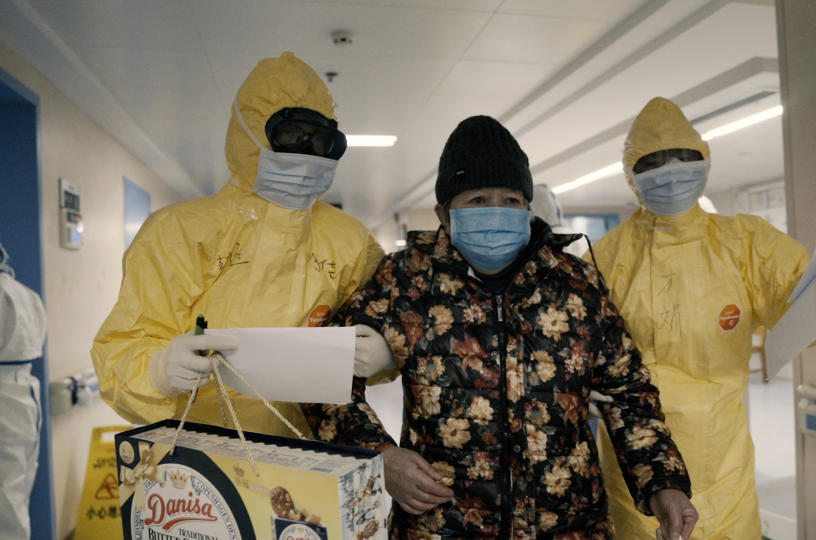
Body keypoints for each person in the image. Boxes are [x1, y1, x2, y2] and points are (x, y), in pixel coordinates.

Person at [303, 115, 697, 539]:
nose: (496, 210)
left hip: (569, 526)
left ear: (527, 208)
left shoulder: (575, 283)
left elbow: (629, 393)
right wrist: (379, 457)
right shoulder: (406, 281)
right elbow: (321, 374)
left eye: (511, 199)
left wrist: (663, 482)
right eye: (476, 199)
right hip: (443, 526)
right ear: (444, 213)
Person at [589, 97, 816, 539]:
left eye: (684, 158)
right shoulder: (607, 258)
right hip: (638, 464)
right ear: (632, 176)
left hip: (724, 457)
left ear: (704, 159)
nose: (670, 171)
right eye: (654, 162)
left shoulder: (745, 244)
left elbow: (811, 305)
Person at [91, 52, 384, 437]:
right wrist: (159, 370)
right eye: (291, 136)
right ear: (248, 134)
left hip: (310, 460)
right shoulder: (178, 232)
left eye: (320, 141)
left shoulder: (351, 242)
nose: (305, 153)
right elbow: (122, 352)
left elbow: (393, 319)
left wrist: (386, 354)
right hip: (197, 468)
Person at [0, 241, 47, 538]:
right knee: (14, 495)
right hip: (22, 396)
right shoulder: (26, 296)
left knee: (9, 498)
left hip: (11, 399)